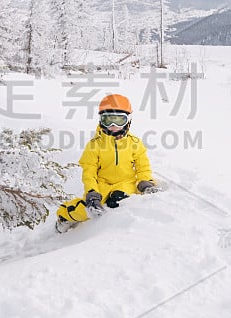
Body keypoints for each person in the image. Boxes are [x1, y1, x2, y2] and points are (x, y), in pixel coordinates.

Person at [55, 93, 159, 233]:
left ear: (128, 120)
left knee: (118, 200)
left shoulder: (134, 143)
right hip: (102, 184)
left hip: (125, 182)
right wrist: (92, 191)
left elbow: (143, 166)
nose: (113, 126)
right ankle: (65, 216)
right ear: (101, 120)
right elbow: (89, 172)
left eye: (119, 120)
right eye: (108, 120)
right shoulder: (94, 145)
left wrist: (144, 181)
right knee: (89, 209)